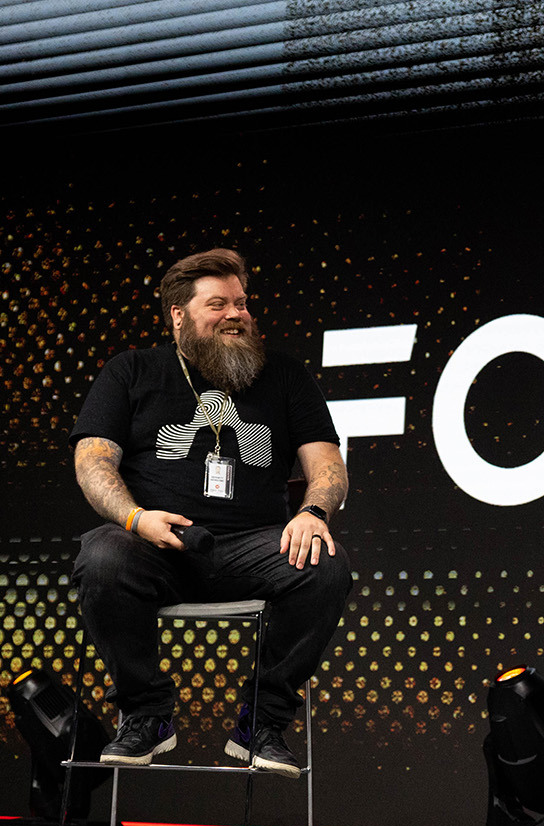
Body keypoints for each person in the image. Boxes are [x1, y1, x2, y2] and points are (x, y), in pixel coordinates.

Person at [70, 248, 350, 778]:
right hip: (159, 543)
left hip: (253, 544)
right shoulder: (131, 371)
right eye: (218, 303)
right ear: (179, 315)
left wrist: (314, 510)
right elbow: (92, 463)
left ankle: (261, 723)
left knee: (325, 564)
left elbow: (327, 465)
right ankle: (147, 712)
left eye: (241, 303)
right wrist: (136, 519)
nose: (236, 314)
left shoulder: (284, 375)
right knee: (102, 556)